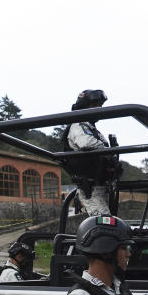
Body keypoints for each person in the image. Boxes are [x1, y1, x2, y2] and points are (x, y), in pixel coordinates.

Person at [61, 89, 120, 217]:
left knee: (111, 222)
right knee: (104, 226)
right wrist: (107, 151)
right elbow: (86, 143)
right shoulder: (78, 125)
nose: (99, 108)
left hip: (101, 185)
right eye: (95, 105)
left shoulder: (93, 129)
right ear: (84, 106)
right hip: (90, 188)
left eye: (100, 105)